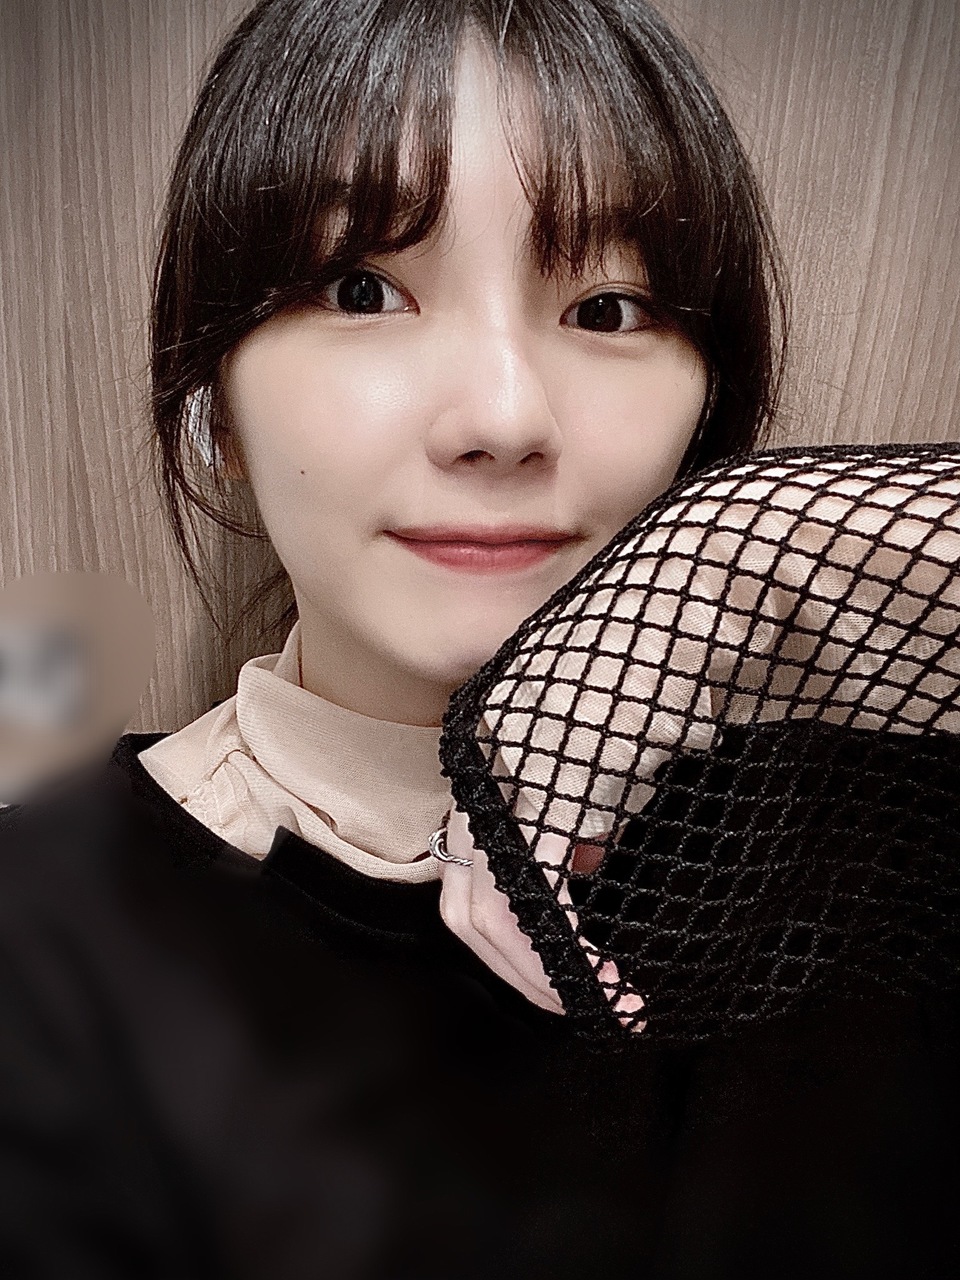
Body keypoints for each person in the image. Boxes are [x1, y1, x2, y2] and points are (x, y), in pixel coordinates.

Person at [7, 1, 954, 1277]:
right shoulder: (41, 930)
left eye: (610, 308)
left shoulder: (880, 862)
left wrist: (753, 556)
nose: (503, 419)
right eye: (363, 289)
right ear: (213, 404)